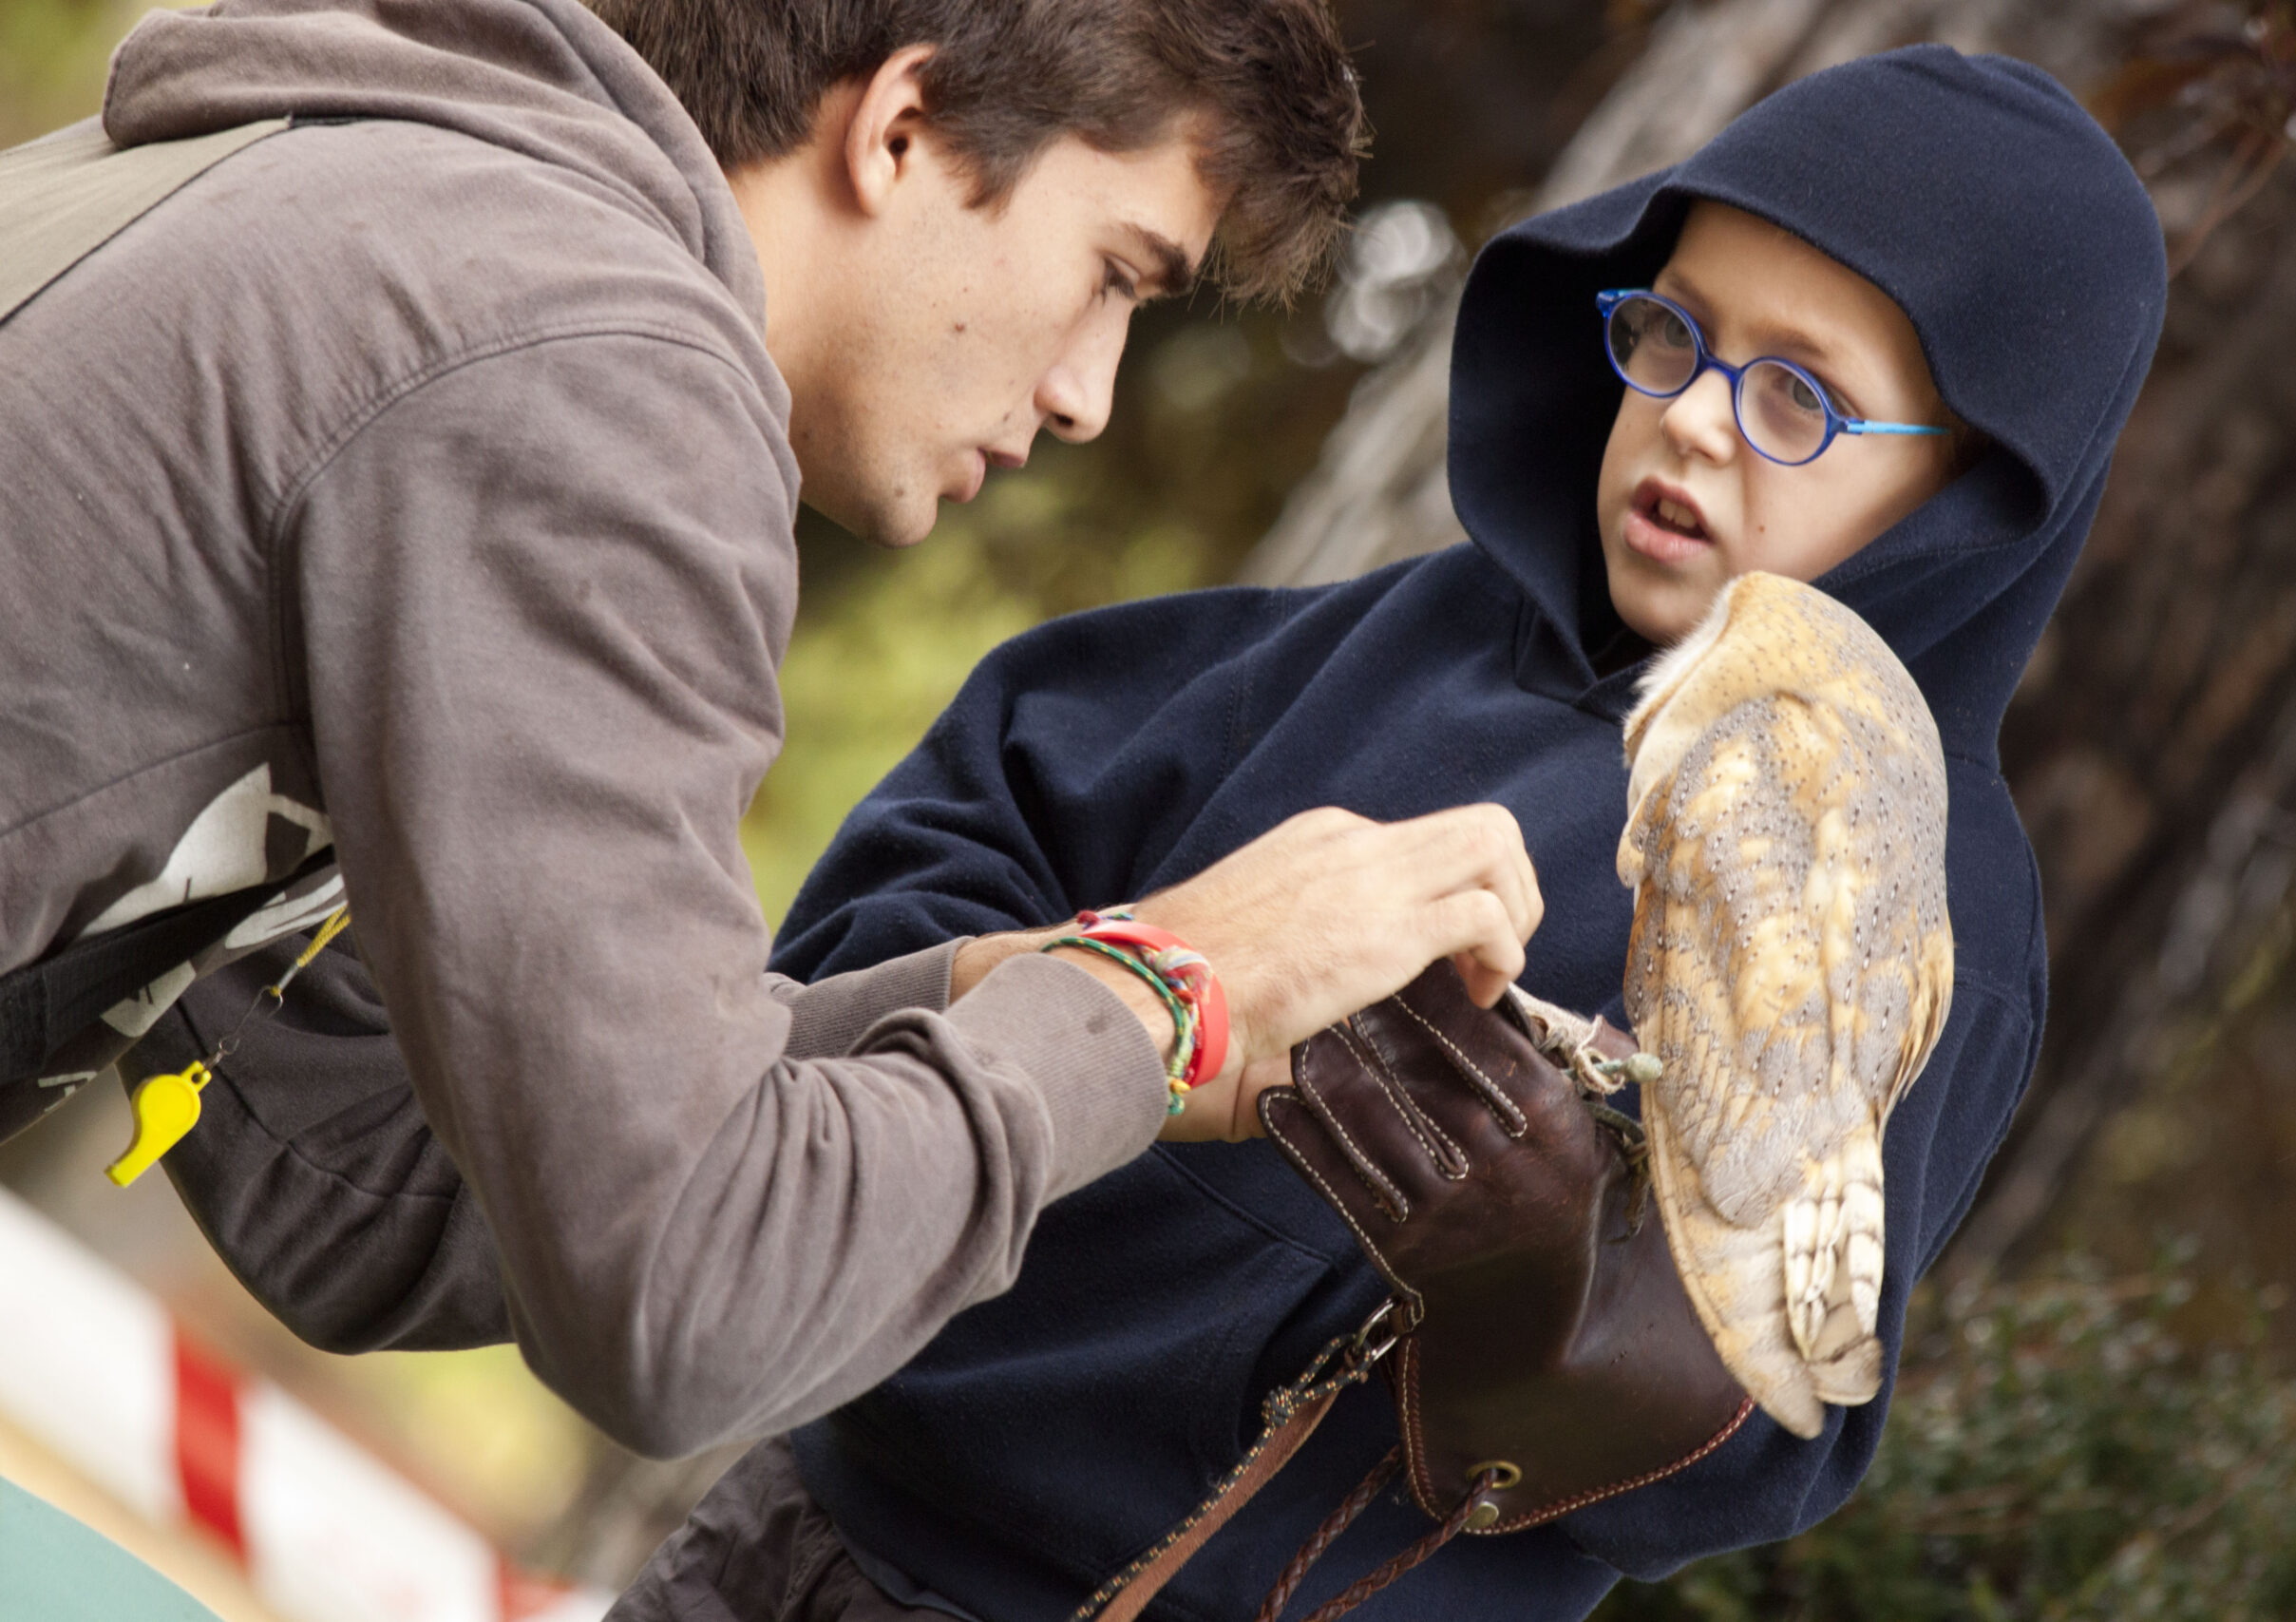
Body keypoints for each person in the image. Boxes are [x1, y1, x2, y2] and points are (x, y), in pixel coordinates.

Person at [594, 43, 2170, 1621]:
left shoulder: (1910, 895)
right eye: (1675, 335)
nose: (1693, 421)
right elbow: (976, 815)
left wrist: (1563, 1309)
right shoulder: (1422, 632)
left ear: (1969, 501)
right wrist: (1109, 991)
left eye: (1795, 398)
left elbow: (1770, 1435)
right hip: (808, 1520)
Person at [0, 0, 1555, 1473]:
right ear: (901, 129)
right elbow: (686, 1301)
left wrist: (1003, 1007)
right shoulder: (596, 386)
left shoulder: (389, 198)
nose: (1088, 396)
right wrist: (1166, 997)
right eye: (1114, 275)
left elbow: (352, 1160)